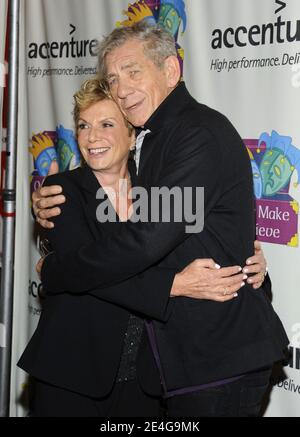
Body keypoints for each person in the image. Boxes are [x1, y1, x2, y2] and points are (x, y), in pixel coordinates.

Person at [31, 23, 288, 417]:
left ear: (170, 71)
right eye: (113, 78)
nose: (121, 87)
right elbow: (186, 234)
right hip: (131, 368)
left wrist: (55, 269)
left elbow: (146, 242)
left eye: (133, 72)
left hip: (212, 360)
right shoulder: (148, 148)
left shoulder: (193, 134)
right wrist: (181, 281)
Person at [19, 78, 247, 417]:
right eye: (83, 125)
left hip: (146, 380)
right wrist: (174, 285)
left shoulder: (157, 192)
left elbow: (208, 236)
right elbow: (90, 273)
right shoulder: (61, 191)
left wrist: (250, 259)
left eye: (107, 124)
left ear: (131, 135)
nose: (91, 137)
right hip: (73, 373)